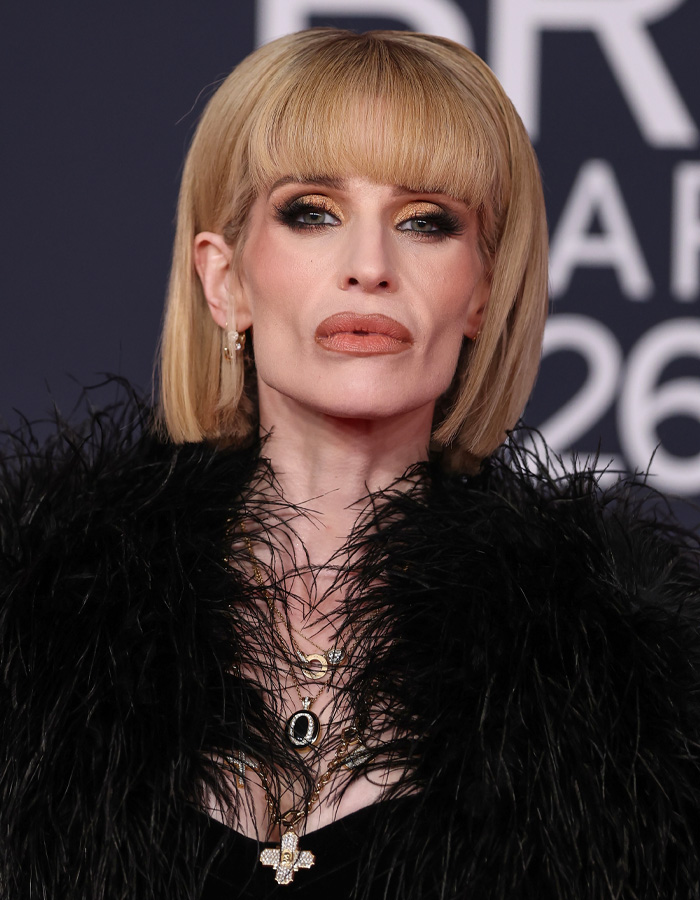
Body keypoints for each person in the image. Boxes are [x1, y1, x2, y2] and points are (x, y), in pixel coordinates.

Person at [2, 28, 700, 900]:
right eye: (313, 212)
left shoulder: (628, 687)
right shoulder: (36, 624)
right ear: (227, 282)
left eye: (425, 222)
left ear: (483, 291)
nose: (370, 266)